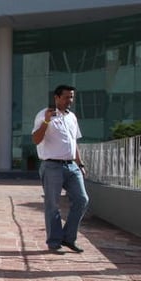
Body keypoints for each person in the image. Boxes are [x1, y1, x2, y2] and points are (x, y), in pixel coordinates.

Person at [31, 84, 89, 252]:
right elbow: (35, 139)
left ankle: (68, 238)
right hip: (51, 166)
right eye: (66, 97)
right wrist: (47, 121)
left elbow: (73, 142)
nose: (69, 100)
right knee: (52, 204)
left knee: (82, 199)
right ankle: (54, 242)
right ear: (56, 97)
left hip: (71, 166)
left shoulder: (72, 117)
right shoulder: (43, 114)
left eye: (71, 97)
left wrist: (81, 164)